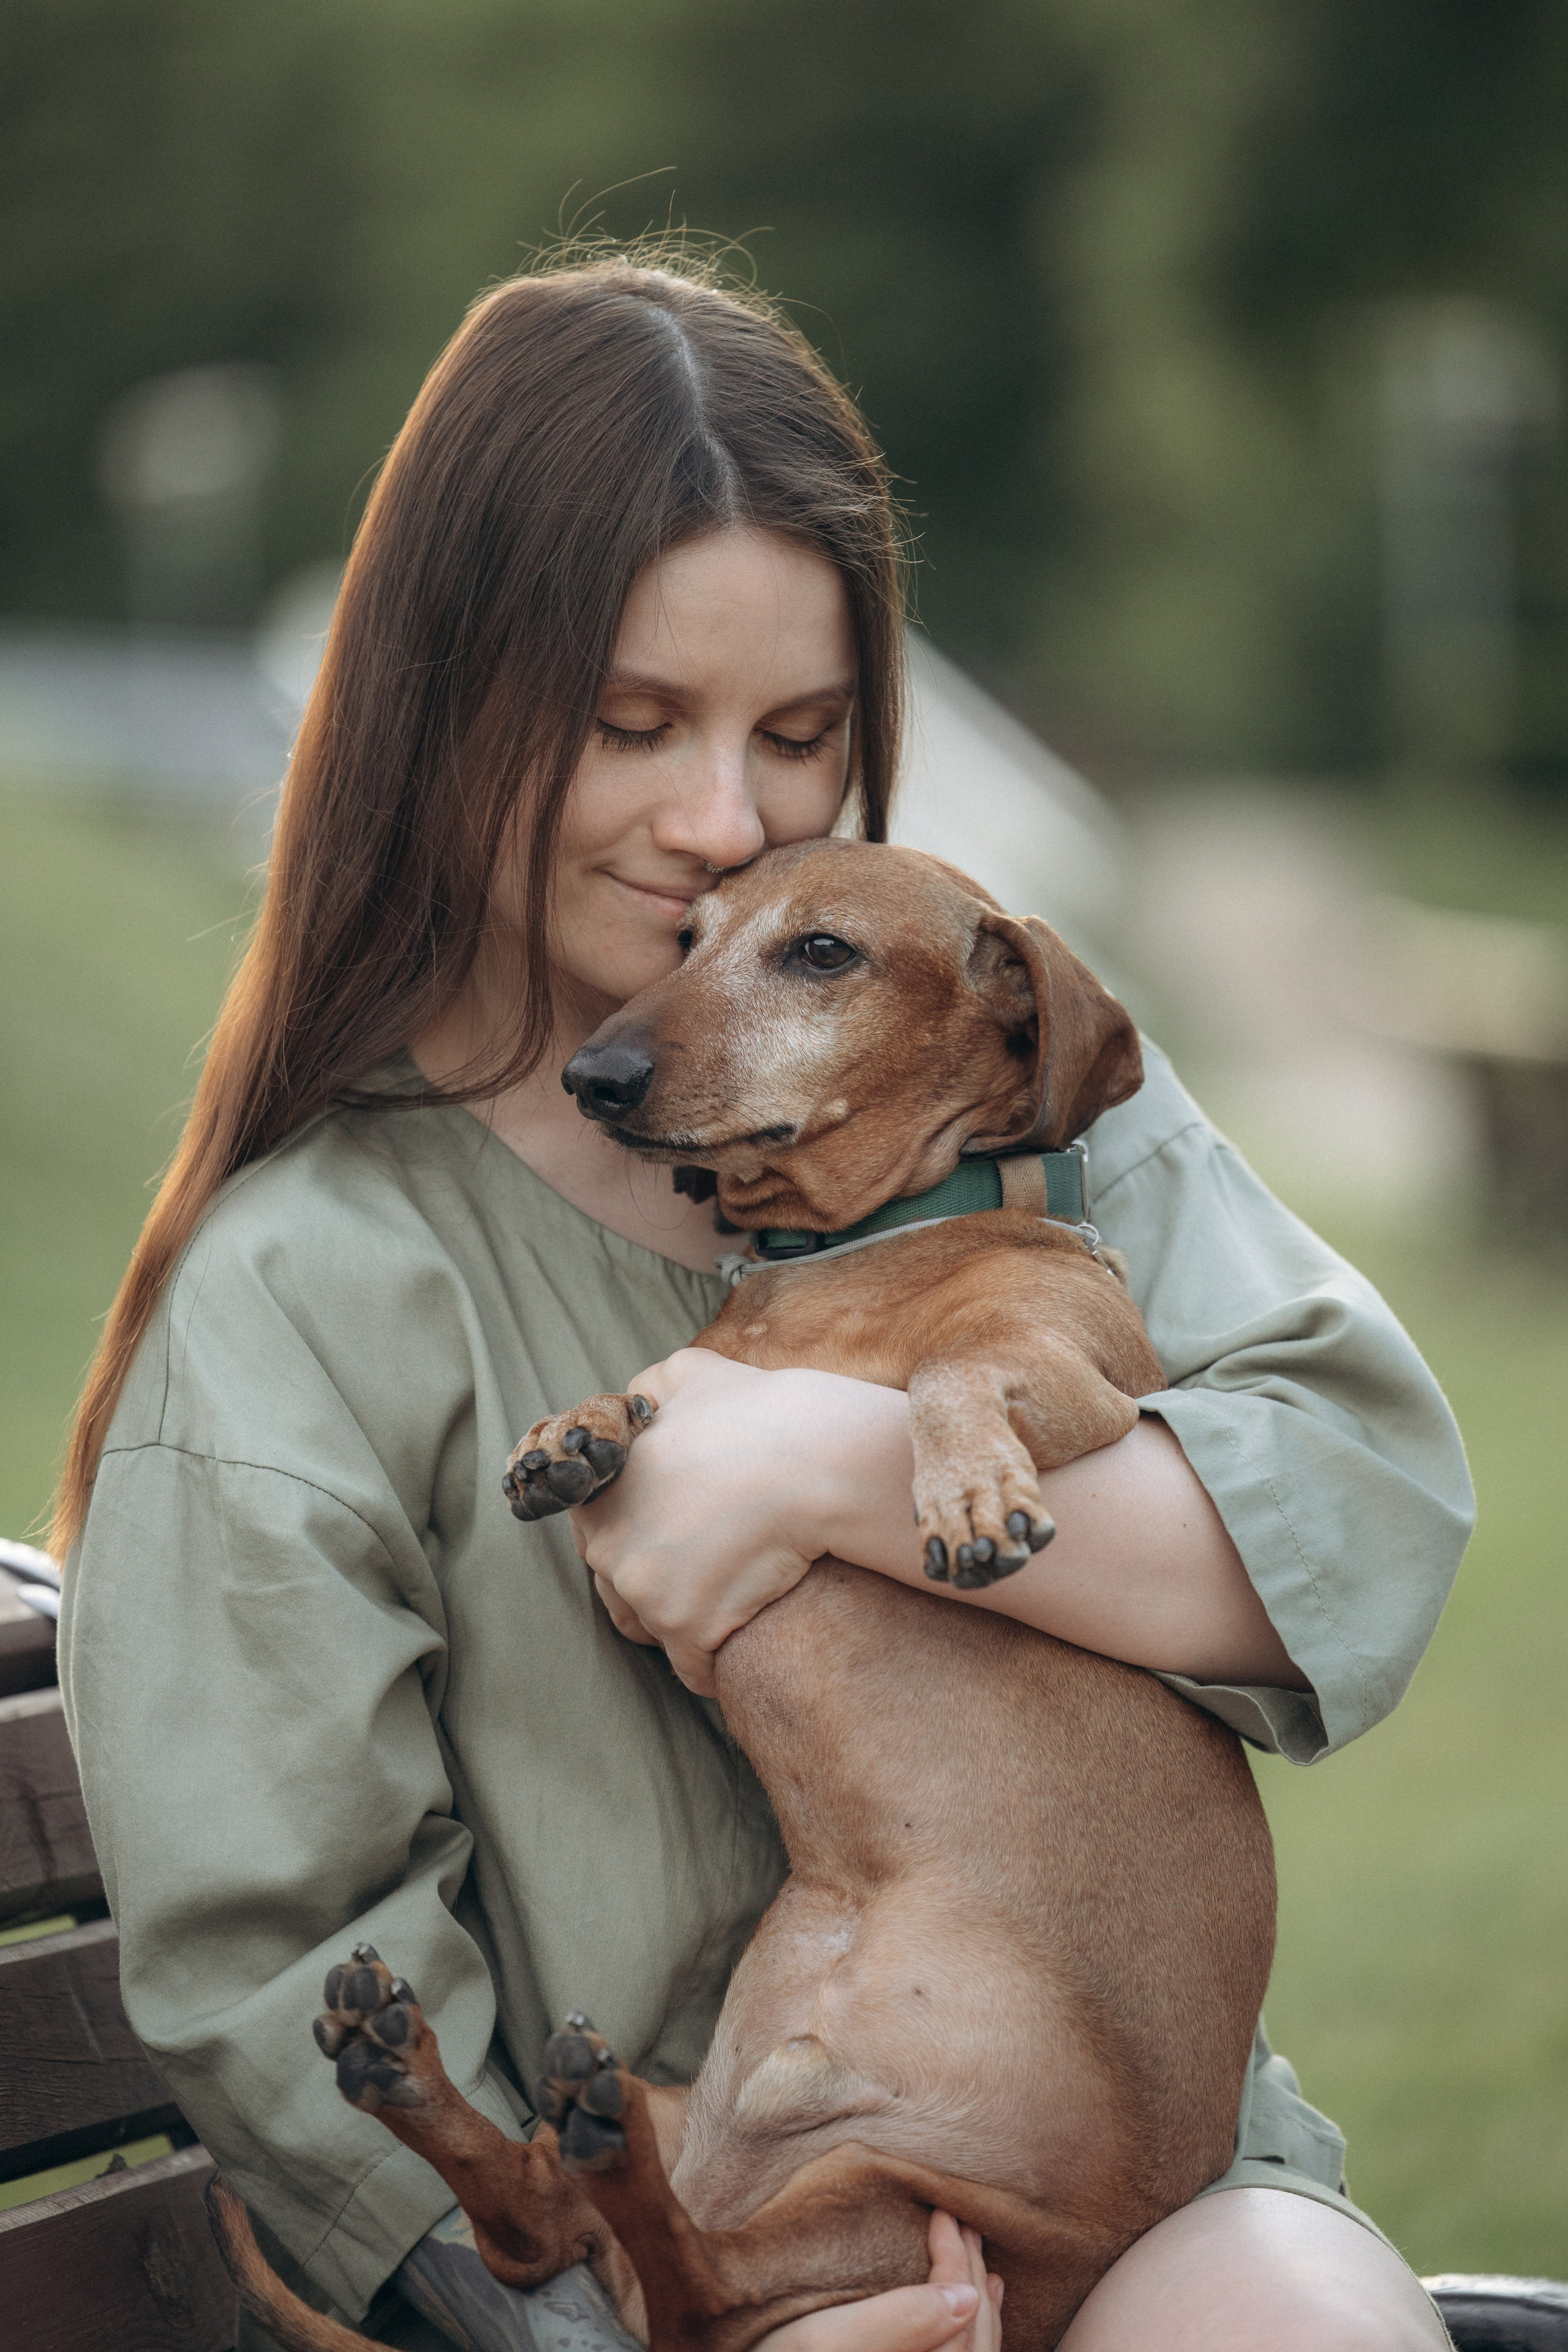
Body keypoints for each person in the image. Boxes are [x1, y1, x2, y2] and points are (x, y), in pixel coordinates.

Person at [55, 253, 1470, 2352]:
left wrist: (834, 1462)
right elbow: (290, 1998)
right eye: (633, 726)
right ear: (448, 703)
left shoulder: (999, 1090)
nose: (722, 818)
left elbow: (1362, 1504)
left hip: (1128, 2175)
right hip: (696, 2248)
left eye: (801, 738)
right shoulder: (308, 1294)